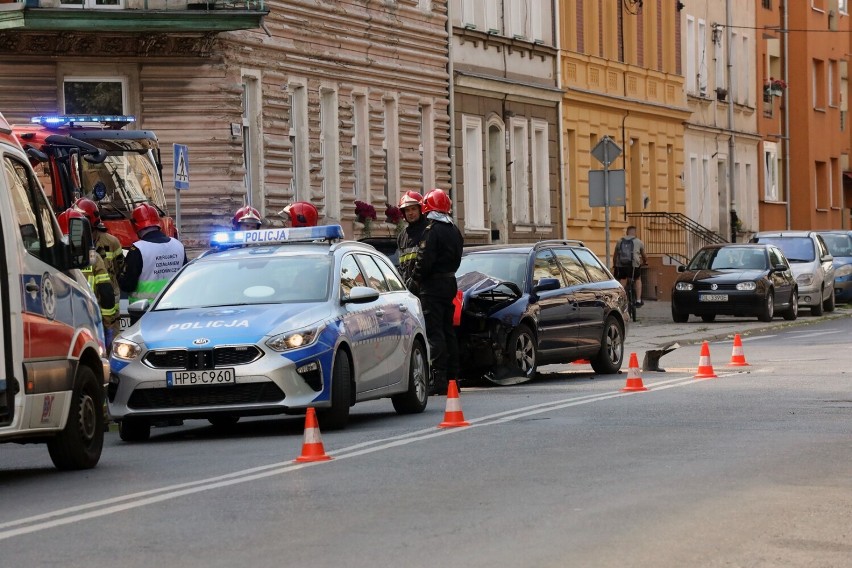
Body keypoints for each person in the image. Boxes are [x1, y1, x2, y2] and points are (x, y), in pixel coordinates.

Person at [409, 189, 464, 396]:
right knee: (448, 331)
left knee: (434, 333)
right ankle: (453, 377)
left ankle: (439, 378)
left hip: (431, 287)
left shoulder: (432, 230)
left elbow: (424, 260)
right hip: (450, 282)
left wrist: (415, 279)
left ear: (426, 208)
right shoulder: (454, 230)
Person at [74, 197, 123, 348]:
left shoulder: (111, 243)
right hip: (86, 311)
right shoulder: (73, 247)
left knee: (114, 349)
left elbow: (119, 268)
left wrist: (109, 321)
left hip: (110, 310)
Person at [57, 209, 116, 329]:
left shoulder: (51, 257)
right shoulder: (93, 258)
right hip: (90, 320)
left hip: (61, 322)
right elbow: (106, 292)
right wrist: (107, 325)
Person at [118, 203, 187, 306]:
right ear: (158, 223)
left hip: (144, 310)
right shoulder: (178, 245)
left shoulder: (137, 249)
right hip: (174, 306)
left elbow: (128, 285)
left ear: (135, 225)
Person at [396, 190, 426, 286]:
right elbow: (401, 266)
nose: (410, 213)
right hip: (408, 288)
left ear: (421, 210)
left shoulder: (429, 231)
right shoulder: (402, 236)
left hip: (425, 287)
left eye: (413, 209)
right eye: (407, 210)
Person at [613, 225, 647, 307]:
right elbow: (644, 255)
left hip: (621, 265)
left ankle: (618, 298)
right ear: (635, 233)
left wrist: (615, 265)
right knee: (637, 279)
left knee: (623, 280)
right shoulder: (639, 242)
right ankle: (638, 300)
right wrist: (645, 262)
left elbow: (615, 255)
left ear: (627, 232)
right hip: (634, 265)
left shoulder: (619, 241)